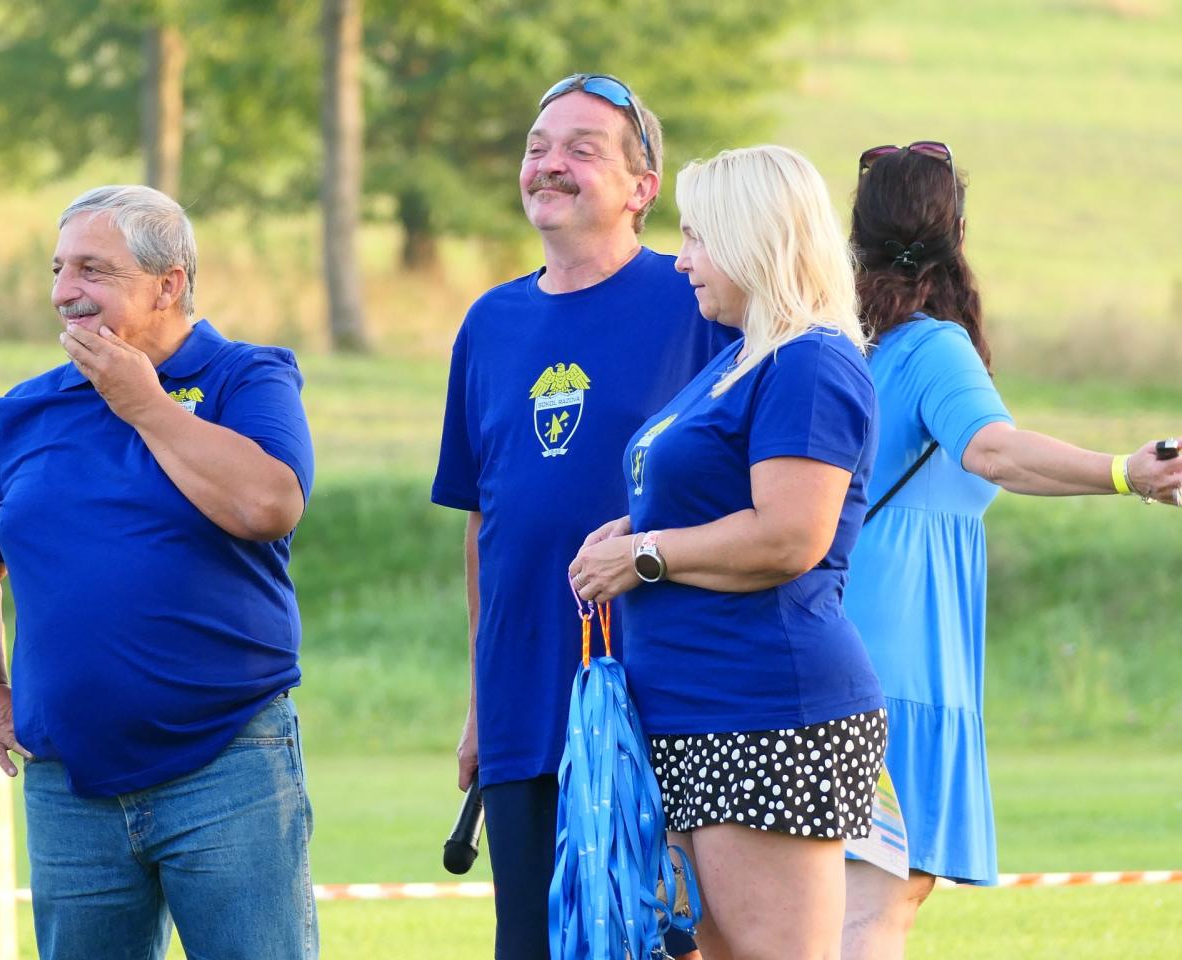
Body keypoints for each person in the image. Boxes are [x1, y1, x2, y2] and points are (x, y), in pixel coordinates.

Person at [0, 186, 318, 960]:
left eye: (92, 270)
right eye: (57, 269)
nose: (63, 291)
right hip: (67, 786)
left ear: (167, 284)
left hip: (227, 765)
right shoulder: (28, 409)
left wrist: (144, 403)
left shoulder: (246, 378)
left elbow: (270, 505)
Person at [838, 141, 1182, 959]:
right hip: (902, 669)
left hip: (837, 651)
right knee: (875, 904)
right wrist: (1124, 473)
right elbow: (993, 450)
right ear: (956, 232)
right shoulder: (931, 348)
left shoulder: (842, 345)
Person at [431, 73, 734, 960]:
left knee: (666, 945)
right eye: (537, 148)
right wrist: (482, 700)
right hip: (524, 700)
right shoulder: (489, 323)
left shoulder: (698, 301)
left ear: (643, 188)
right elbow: (486, 524)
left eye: (581, 149)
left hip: (664, 696)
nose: (548, 165)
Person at [570, 144, 885, 960]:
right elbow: (712, 496)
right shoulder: (740, 359)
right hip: (692, 705)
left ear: (754, 239)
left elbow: (790, 535)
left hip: (763, 706)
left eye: (698, 237)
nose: (682, 261)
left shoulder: (810, 361)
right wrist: (633, 528)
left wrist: (646, 554)